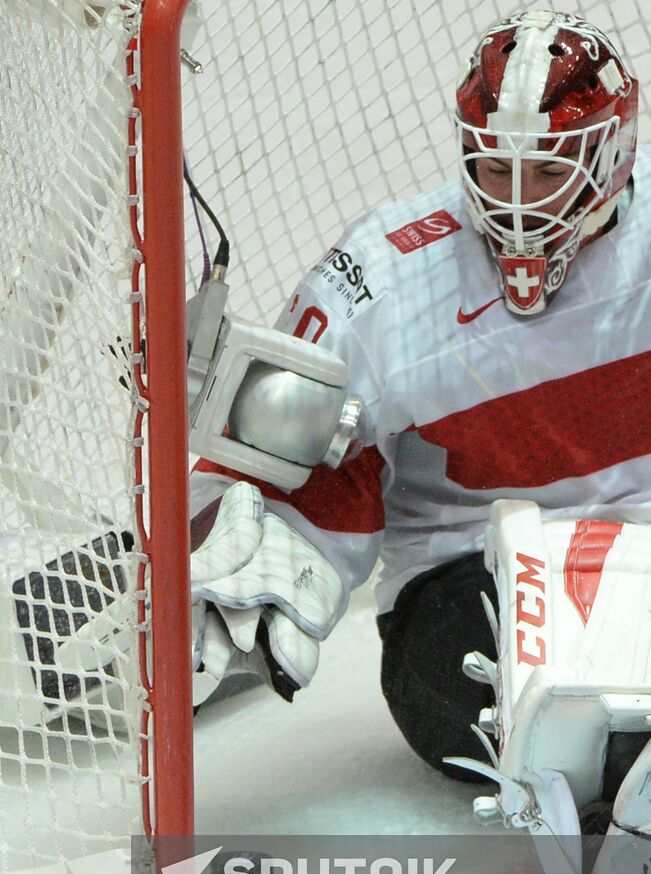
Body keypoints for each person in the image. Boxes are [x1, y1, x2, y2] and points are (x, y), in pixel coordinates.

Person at [189, 9, 649, 781]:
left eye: (545, 171)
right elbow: (291, 458)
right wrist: (264, 553)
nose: (517, 203)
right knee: (498, 706)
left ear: (610, 154)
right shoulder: (387, 272)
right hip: (469, 572)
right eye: (497, 168)